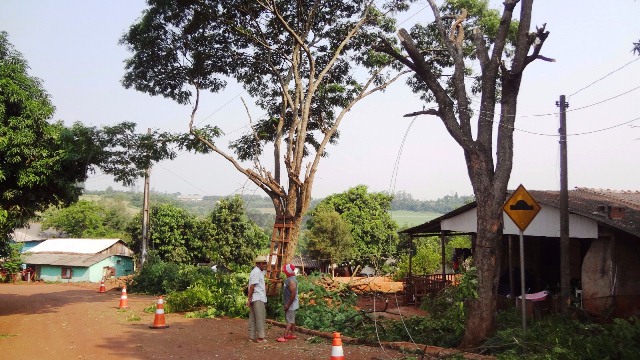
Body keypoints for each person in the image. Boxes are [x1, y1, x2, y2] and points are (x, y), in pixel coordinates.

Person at [247, 255, 268, 343]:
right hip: (258, 297)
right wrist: (249, 299)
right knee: (260, 317)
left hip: (255, 297)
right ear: (258, 264)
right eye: (263, 263)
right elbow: (252, 286)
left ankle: (251, 337)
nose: (265, 265)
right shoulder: (256, 272)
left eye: (265, 263)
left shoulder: (258, 271)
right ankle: (260, 337)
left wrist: (250, 298)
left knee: (252, 317)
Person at [276, 263, 299, 342]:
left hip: (291, 304)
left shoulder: (292, 281)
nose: (284, 271)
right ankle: (292, 333)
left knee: (290, 320)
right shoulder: (289, 279)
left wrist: (288, 305)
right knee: (291, 318)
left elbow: (293, 293)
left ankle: (285, 335)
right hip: (289, 303)